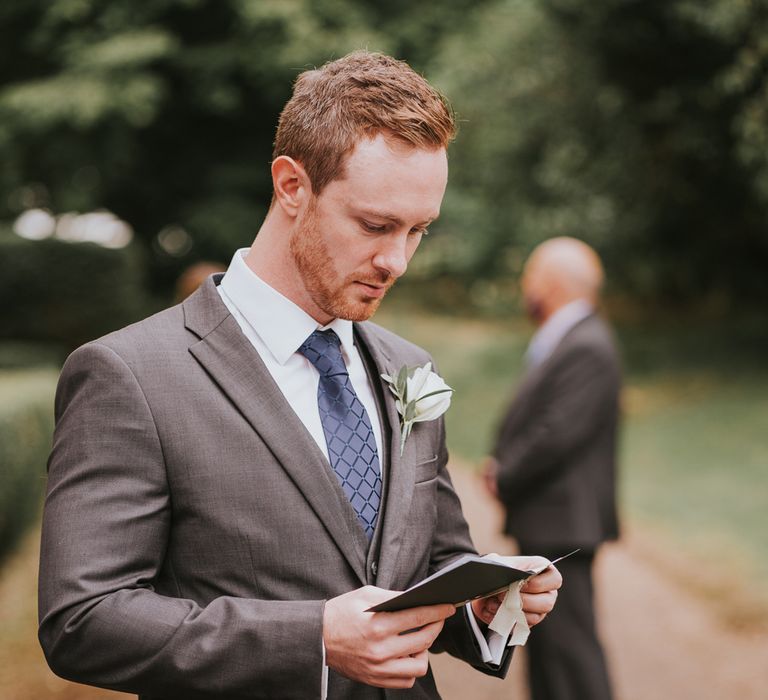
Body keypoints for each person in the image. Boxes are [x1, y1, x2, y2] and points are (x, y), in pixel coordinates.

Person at [38, 51, 561, 700]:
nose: (396, 260)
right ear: (292, 186)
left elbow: (429, 563)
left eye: (418, 230)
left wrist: (479, 604)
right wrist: (312, 637)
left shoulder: (409, 369)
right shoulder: (130, 377)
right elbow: (82, 620)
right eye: (376, 225)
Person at [484, 236, 620, 700]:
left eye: (530, 276)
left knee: (572, 655)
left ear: (552, 282)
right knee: (547, 654)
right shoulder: (570, 339)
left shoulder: (587, 345)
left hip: (564, 521)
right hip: (551, 519)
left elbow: (557, 433)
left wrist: (504, 472)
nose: (526, 287)